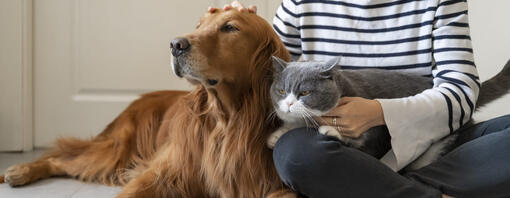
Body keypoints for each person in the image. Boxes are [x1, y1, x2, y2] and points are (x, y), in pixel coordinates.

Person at [220, 1, 510, 198]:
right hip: (334, 146)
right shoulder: (299, 5)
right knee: (295, 155)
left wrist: (379, 112)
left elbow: (460, 92)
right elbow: (269, 73)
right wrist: (234, 31)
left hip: (432, 138)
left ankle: (373, 186)